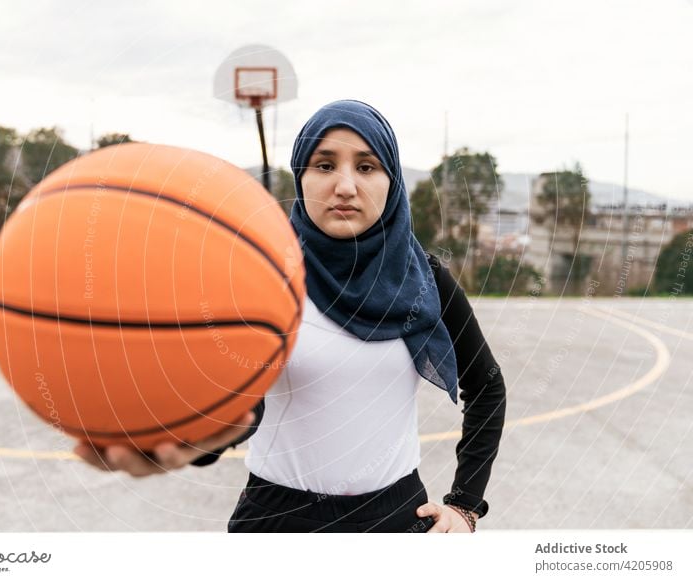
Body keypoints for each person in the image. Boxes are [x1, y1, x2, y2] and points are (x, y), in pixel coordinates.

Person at [74, 100, 507, 533]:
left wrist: (465, 505)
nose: (344, 186)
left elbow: (486, 387)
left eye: (367, 167)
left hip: (396, 517)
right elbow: (237, 405)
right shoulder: (266, 275)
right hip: (276, 517)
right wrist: (187, 441)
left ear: (391, 181)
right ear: (300, 177)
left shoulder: (424, 279)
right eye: (324, 164)